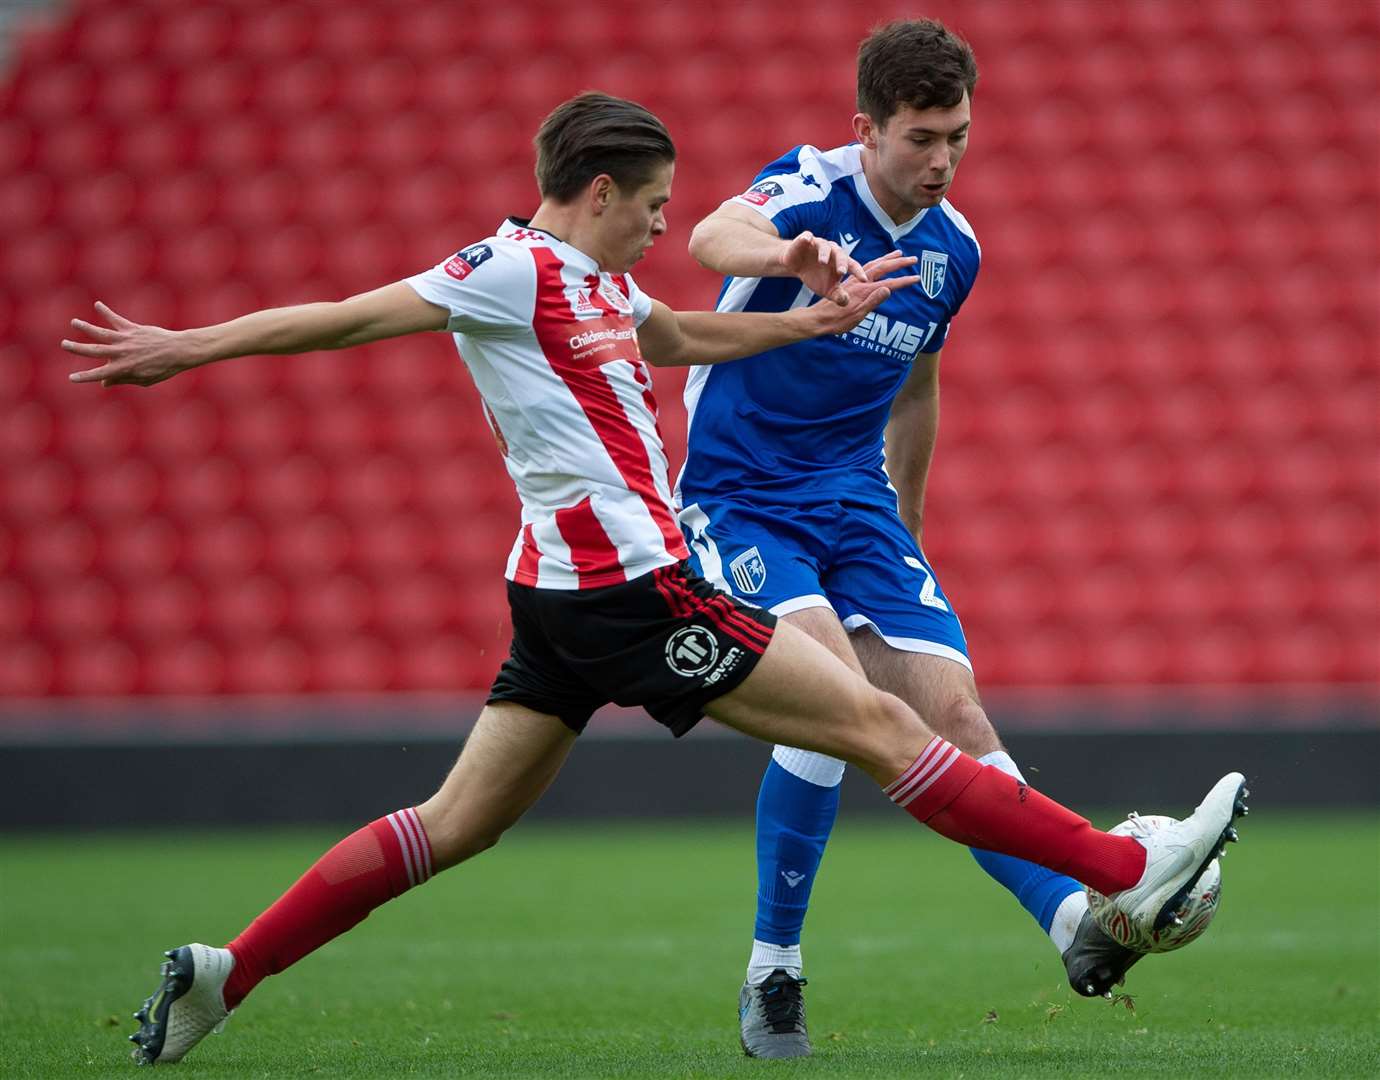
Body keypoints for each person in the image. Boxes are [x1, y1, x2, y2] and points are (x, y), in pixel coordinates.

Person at [63, 92, 1245, 1068]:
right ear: (595, 195)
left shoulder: (600, 286)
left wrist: (812, 322)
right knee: (883, 726)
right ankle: (1127, 869)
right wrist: (189, 347)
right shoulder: (507, 271)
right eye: (650, 208)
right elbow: (344, 318)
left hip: (559, 598)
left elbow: (684, 334)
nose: (658, 226)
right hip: (633, 589)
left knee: (452, 824)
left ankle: (227, 976)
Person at [680, 20, 1159, 1057]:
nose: (942, 159)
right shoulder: (807, 190)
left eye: (960, 137)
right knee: (835, 706)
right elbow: (708, 236)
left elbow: (918, 386)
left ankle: (1073, 924)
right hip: (744, 494)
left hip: (857, 503)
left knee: (955, 711)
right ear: (868, 130)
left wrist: (909, 519)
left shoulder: (956, 251)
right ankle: (775, 971)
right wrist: (788, 258)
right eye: (922, 138)